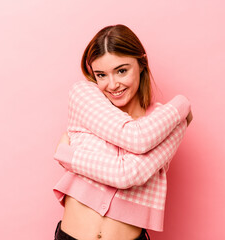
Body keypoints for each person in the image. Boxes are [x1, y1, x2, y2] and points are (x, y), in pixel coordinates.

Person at [53, 24, 193, 240]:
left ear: (141, 64)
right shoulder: (85, 96)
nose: (112, 84)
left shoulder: (165, 119)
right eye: (101, 75)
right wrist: (181, 109)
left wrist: (67, 155)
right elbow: (136, 139)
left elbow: (128, 174)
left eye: (121, 70)